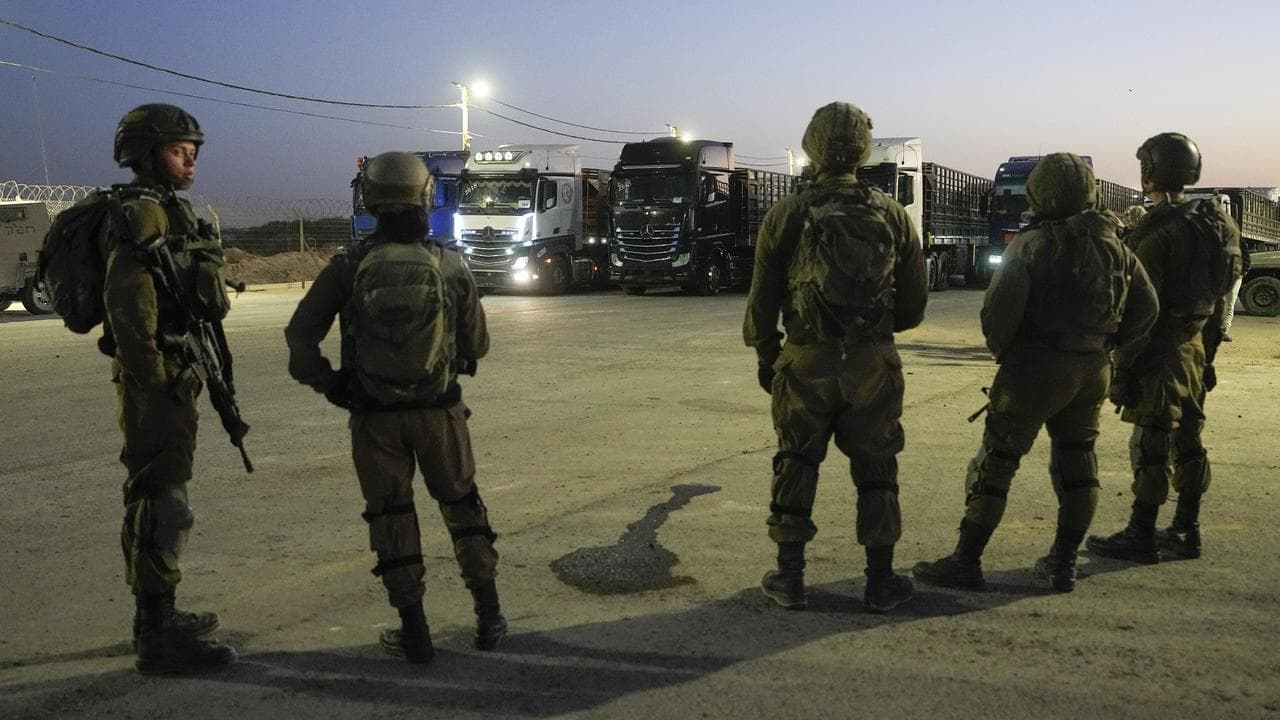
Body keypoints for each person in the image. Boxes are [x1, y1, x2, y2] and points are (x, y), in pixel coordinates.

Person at [285, 151, 504, 663]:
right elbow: (479, 345)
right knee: (462, 508)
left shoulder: (348, 266)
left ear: (371, 202)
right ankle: (489, 617)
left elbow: (300, 339)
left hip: (373, 418)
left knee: (392, 517)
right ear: (425, 197)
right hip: (439, 413)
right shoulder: (450, 263)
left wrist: (333, 385)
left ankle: (415, 631)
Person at [911, 154, 1158, 593]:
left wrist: (1007, 353)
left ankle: (966, 560)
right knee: (1078, 462)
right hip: (1091, 369)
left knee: (997, 462)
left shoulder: (1033, 244)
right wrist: (1108, 346)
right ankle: (1063, 563)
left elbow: (999, 311)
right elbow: (1148, 308)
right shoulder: (1116, 246)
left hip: (1035, 369)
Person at [743, 101, 927, 613]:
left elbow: (762, 297)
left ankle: (791, 578)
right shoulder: (891, 213)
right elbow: (913, 307)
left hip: (806, 361)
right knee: (878, 469)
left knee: (797, 461)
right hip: (872, 363)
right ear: (862, 149)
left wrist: (767, 354)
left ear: (812, 144)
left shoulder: (788, 212)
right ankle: (881, 580)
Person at [107, 103, 237, 673]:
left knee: (160, 495)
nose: (190, 161)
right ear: (147, 154)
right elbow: (130, 309)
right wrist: (158, 378)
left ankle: (157, 614)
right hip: (157, 379)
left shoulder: (165, 211)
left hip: (170, 371)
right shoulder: (142, 216)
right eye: (179, 151)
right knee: (164, 501)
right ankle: (158, 636)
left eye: (193, 152)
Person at [1087, 133, 1242, 563]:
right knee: (1190, 438)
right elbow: (1221, 294)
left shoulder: (1158, 232)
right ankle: (1186, 528)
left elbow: (1139, 310)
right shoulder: (1217, 223)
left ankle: (1141, 532)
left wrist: (1125, 371)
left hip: (1159, 352)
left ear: (1150, 172)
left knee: (1151, 443)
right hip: (1194, 345)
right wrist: (1207, 355)